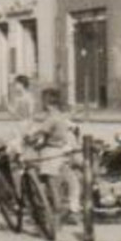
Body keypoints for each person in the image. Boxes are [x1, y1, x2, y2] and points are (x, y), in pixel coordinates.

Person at [23, 87, 83, 222]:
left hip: (51, 152)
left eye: (43, 101)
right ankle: (68, 209)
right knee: (69, 181)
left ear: (46, 102)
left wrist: (29, 138)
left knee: (50, 181)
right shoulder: (61, 116)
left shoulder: (51, 119)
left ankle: (56, 211)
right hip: (62, 152)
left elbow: (39, 135)